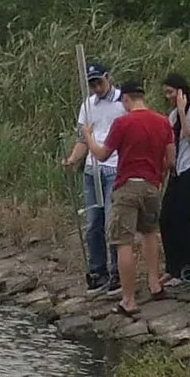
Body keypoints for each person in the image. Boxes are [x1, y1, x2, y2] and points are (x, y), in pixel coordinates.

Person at [91, 76, 174, 314]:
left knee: (123, 241)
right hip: (152, 185)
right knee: (149, 233)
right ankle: (154, 282)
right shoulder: (163, 122)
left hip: (127, 185)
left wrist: (88, 136)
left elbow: (103, 154)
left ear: (126, 99)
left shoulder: (122, 123)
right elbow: (170, 160)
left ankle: (128, 300)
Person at [62, 62, 125, 292]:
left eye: (99, 82)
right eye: (92, 84)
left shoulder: (123, 102)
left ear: (108, 77)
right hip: (92, 169)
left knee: (112, 222)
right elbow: (83, 139)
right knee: (92, 224)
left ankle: (117, 272)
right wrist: (72, 159)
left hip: (115, 167)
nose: (96, 87)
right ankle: (98, 271)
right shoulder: (87, 105)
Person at [158, 72, 190, 289]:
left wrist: (182, 109)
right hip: (177, 169)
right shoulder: (171, 117)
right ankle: (172, 267)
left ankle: (187, 267)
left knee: (181, 217)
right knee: (166, 217)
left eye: (171, 92)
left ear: (181, 91)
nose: (168, 97)